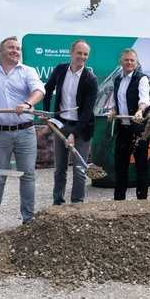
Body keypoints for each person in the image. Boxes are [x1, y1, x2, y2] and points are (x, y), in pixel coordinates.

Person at [0, 36, 45, 236]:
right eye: (11, 48)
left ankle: (28, 219)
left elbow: (39, 90)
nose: (15, 51)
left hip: (25, 131)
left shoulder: (27, 71)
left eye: (17, 48)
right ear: (1, 51)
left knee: (28, 175)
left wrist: (28, 104)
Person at [42, 40, 98, 205]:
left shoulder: (90, 79)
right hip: (61, 124)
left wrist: (74, 133)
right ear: (71, 53)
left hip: (83, 127)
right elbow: (47, 89)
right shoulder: (60, 69)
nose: (82, 57)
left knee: (80, 168)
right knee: (60, 168)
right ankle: (57, 202)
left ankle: (77, 204)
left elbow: (87, 112)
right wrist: (47, 114)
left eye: (85, 54)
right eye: (79, 53)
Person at [108, 48, 150, 200]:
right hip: (123, 128)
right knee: (120, 165)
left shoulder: (142, 79)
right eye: (126, 60)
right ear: (121, 62)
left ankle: (142, 202)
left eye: (132, 60)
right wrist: (113, 110)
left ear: (137, 62)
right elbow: (116, 101)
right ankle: (119, 201)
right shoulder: (118, 79)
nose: (129, 63)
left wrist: (140, 111)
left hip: (139, 129)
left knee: (141, 166)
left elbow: (144, 99)